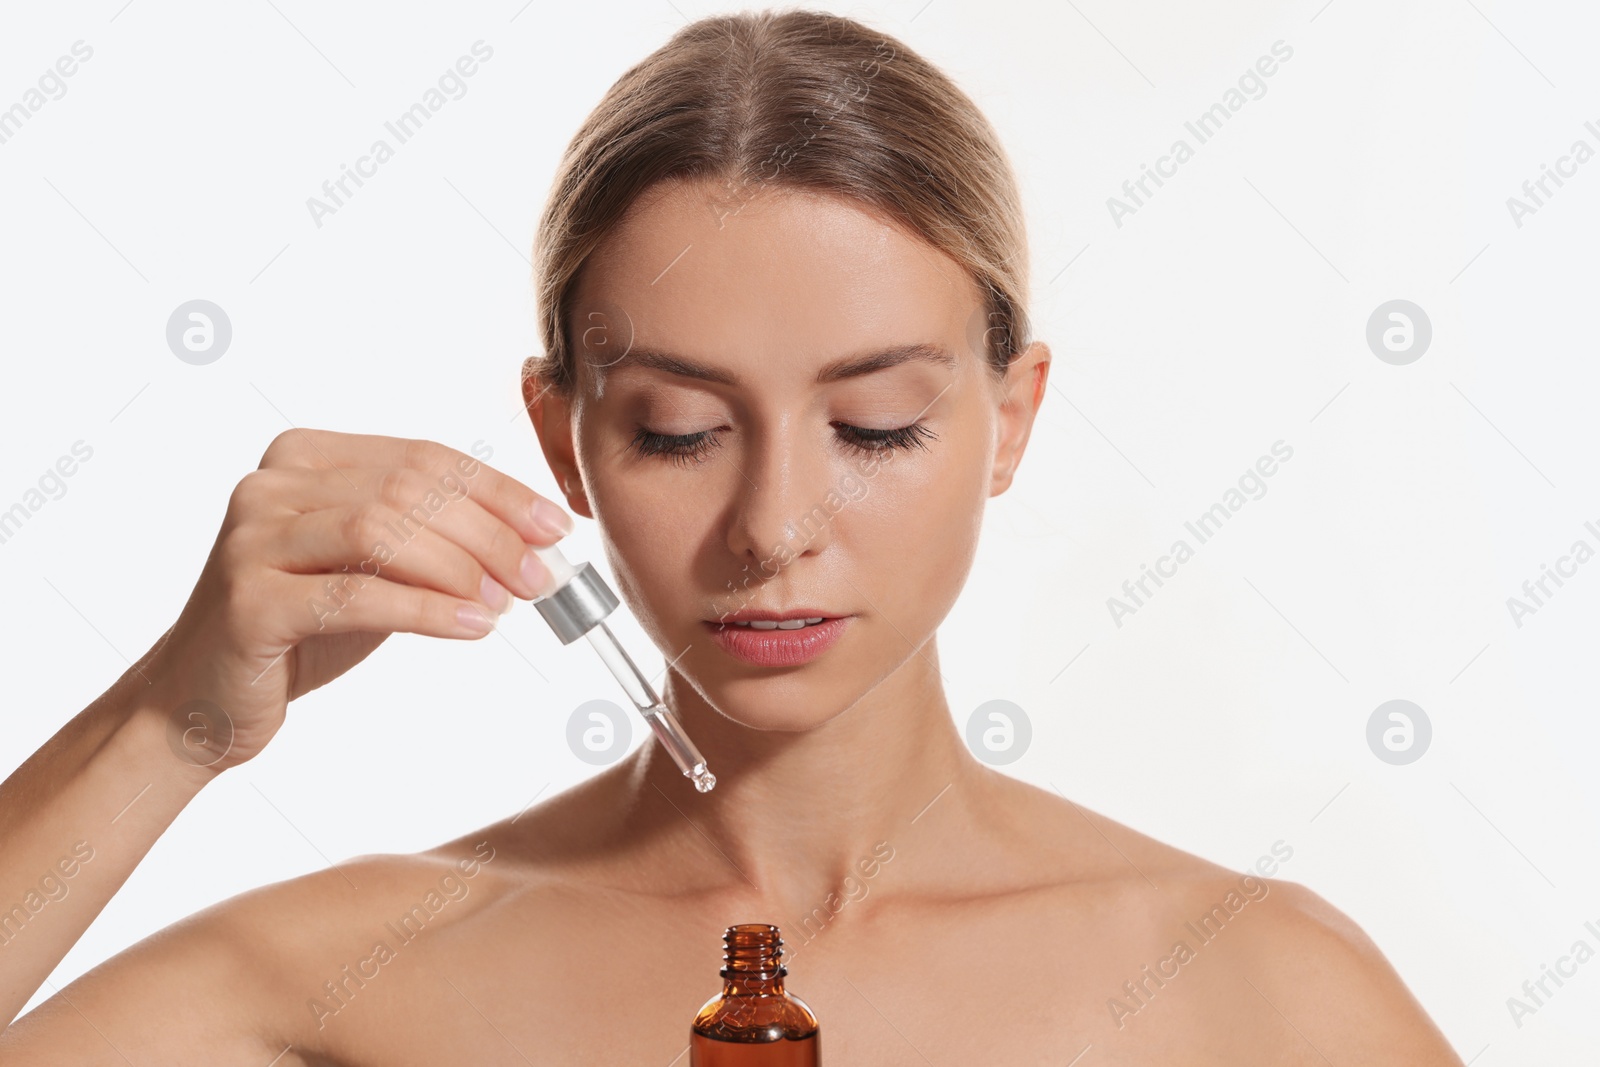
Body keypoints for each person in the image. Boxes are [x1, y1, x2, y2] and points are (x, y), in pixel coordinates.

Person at [0, 9, 1463, 1063]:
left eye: (877, 425)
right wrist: (167, 724)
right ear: (563, 439)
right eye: (678, 432)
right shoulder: (349, 983)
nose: (772, 529)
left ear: (1010, 417)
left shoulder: (1254, 992)